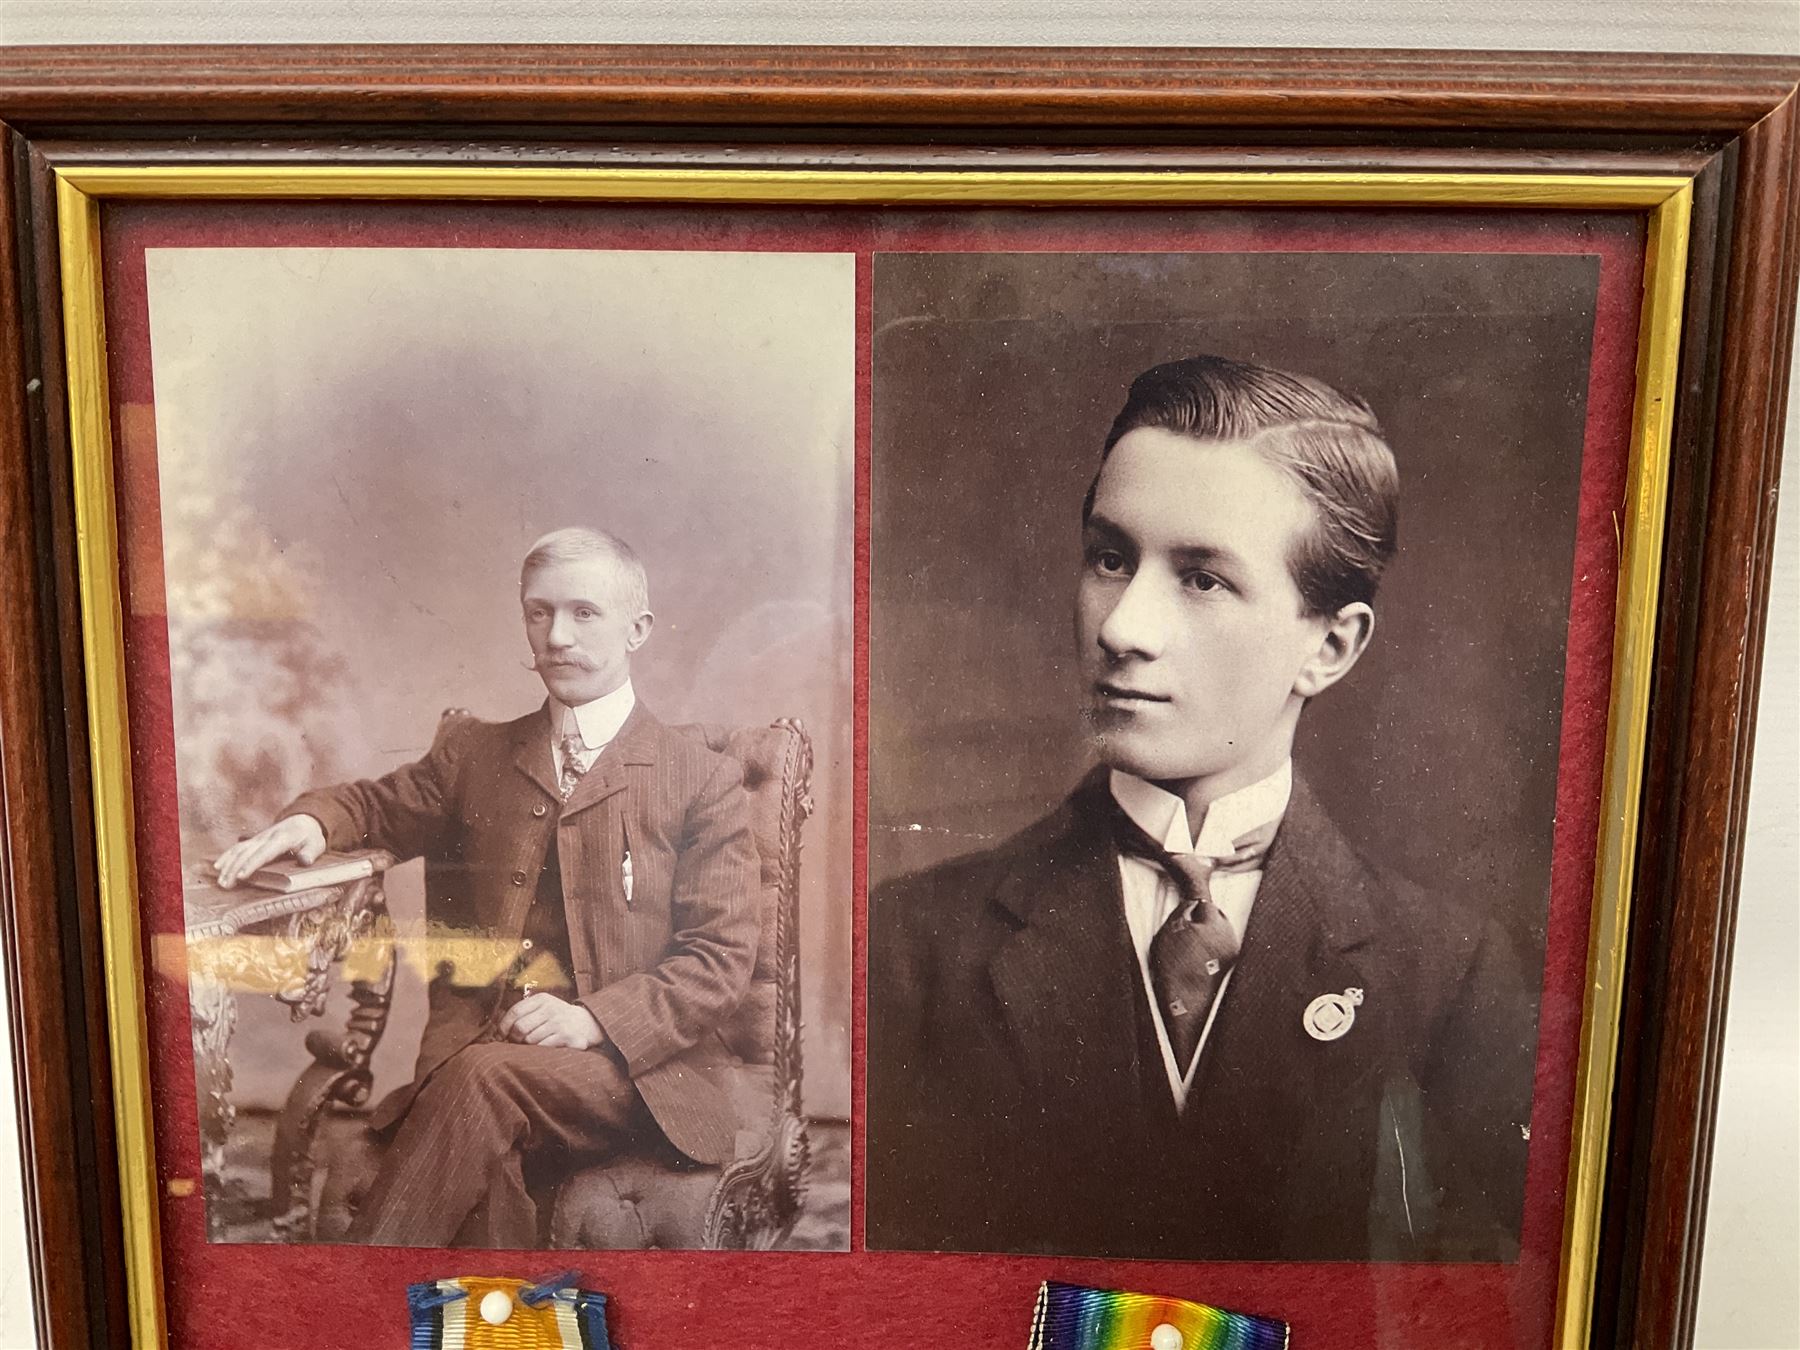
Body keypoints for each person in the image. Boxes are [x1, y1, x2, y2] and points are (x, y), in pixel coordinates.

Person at [865, 355, 1535, 1262]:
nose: (1121, 627)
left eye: (1202, 578)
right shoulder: (910, 947)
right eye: (1110, 559)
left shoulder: (1450, 976)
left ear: (1330, 648)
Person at [214, 526, 759, 1248]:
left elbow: (717, 959)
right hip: (482, 1059)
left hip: (635, 1073)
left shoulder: (700, 779)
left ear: (639, 629)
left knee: (481, 1083)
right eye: (539, 612)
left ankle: (349, 1308)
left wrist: (593, 1020)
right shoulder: (475, 754)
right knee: (485, 1166)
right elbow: (376, 805)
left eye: (584, 613)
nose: (557, 635)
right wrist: (315, 823)